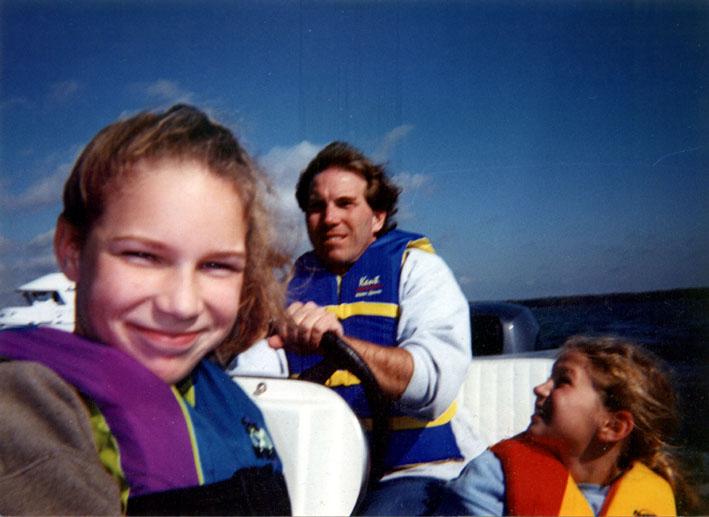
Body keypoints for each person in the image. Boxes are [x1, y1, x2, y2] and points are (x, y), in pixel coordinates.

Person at [0, 104, 292, 515]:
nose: (182, 305)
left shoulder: (216, 393)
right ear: (71, 250)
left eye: (216, 265)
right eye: (142, 256)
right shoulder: (25, 410)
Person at [256, 141, 478, 515]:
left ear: (377, 217)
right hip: (318, 471)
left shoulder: (418, 270)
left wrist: (337, 343)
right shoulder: (288, 287)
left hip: (414, 472)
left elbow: (434, 385)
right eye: (316, 207)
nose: (329, 218)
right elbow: (251, 379)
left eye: (345, 203)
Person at [434, 335, 696, 516]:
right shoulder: (491, 477)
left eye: (562, 382)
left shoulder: (653, 497)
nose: (539, 388)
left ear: (613, 426)